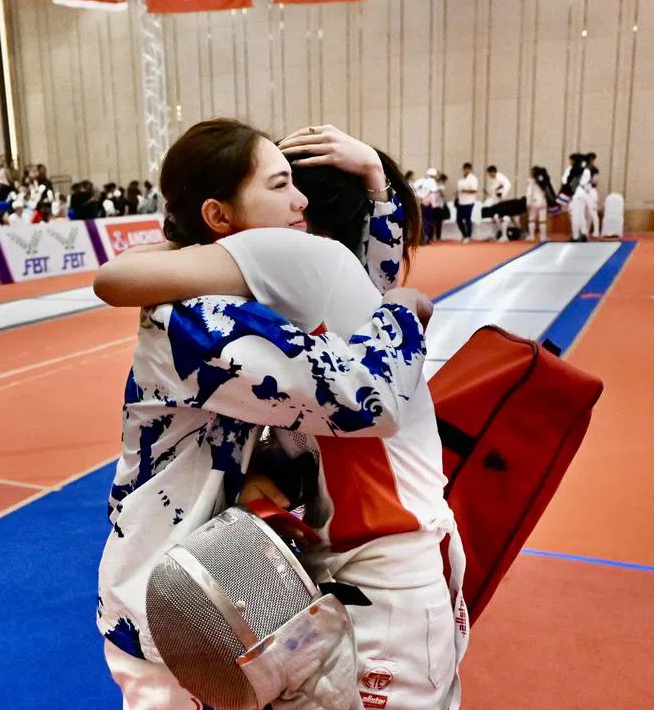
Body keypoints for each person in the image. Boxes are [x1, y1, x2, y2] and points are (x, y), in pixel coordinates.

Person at [95, 119, 457, 710]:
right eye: (281, 185)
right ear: (220, 217)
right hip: (166, 606)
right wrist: (403, 313)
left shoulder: (248, 301)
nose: (300, 203)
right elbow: (367, 394)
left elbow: (347, 292)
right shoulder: (203, 320)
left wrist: (379, 190)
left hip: (223, 590)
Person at [561, 154, 591, 242]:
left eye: (570, 160)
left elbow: (564, 181)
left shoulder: (570, 169)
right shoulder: (586, 170)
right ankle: (584, 233)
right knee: (581, 214)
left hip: (573, 194)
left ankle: (575, 236)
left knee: (574, 215)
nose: (569, 162)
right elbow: (585, 182)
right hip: (582, 194)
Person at [484, 165, 514, 241]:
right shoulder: (494, 180)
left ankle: (504, 235)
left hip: (501, 201)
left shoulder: (500, 177)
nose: (489, 175)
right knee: (495, 218)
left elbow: (507, 185)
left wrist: (501, 192)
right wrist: (487, 192)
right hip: (495, 202)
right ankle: (500, 234)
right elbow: (493, 192)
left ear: (493, 172)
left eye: (490, 173)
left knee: (503, 217)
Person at [526, 166, 552, 242]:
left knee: (531, 219)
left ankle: (531, 236)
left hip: (534, 201)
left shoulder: (531, 180)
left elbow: (529, 192)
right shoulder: (544, 180)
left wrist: (528, 203)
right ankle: (543, 237)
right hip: (543, 201)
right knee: (542, 220)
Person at [455, 163, 478, 243]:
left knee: (467, 219)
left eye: (467, 169)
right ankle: (464, 234)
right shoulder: (462, 179)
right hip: (461, 202)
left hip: (469, 202)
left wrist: (464, 190)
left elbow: (474, 190)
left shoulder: (473, 179)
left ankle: (468, 236)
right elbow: (458, 191)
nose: (466, 170)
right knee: (458, 220)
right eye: (464, 169)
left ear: (470, 169)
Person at [584, 152, 601, 238]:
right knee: (587, 213)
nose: (592, 161)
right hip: (584, 192)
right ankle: (586, 231)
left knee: (593, 212)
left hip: (591, 191)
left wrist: (588, 182)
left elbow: (595, 182)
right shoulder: (583, 169)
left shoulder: (595, 169)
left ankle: (596, 231)